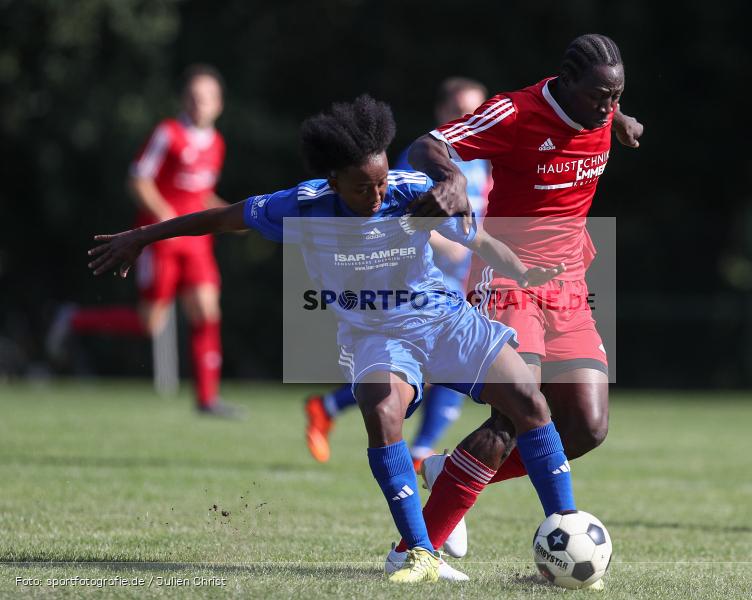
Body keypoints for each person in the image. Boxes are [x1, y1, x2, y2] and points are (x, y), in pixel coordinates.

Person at [87, 95, 580, 584]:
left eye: (383, 180)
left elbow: (479, 239)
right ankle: (420, 554)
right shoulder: (302, 205)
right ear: (333, 181)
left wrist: (524, 269)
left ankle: (569, 523)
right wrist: (143, 236)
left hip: (444, 319)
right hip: (377, 335)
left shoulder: (410, 190)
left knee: (528, 401)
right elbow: (220, 218)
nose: (378, 192)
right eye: (364, 186)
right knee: (382, 413)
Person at [390, 33, 644, 576]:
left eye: (616, 96)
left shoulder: (600, 107)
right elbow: (426, 144)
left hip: (570, 282)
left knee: (586, 426)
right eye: (600, 96)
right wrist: (453, 176)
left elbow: (609, 108)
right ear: (567, 81)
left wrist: (619, 120)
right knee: (515, 411)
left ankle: (447, 468)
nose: (606, 106)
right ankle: (415, 551)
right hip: (508, 277)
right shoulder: (515, 112)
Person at [303, 77, 492, 469]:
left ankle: (335, 411)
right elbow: (400, 216)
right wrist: (450, 243)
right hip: (415, 276)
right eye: (460, 111)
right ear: (442, 113)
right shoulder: (421, 156)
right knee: (433, 361)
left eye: (475, 110)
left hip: (461, 275)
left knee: (437, 364)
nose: (468, 118)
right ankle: (418, 449)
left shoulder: (483, 160)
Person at [48, 65, 237, 417]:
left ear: (219, 105)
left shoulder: (217, 144)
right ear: (184, 100)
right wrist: (165, 216)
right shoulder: (168, 133)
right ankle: (74, 319)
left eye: (206, 98)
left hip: (196, 242)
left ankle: (207, 399)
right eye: (193, 97)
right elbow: (138, 179)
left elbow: (202, 194)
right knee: (150, 323)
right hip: (161, 238)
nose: (199, 104)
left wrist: (236, 215)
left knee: (208, 311)